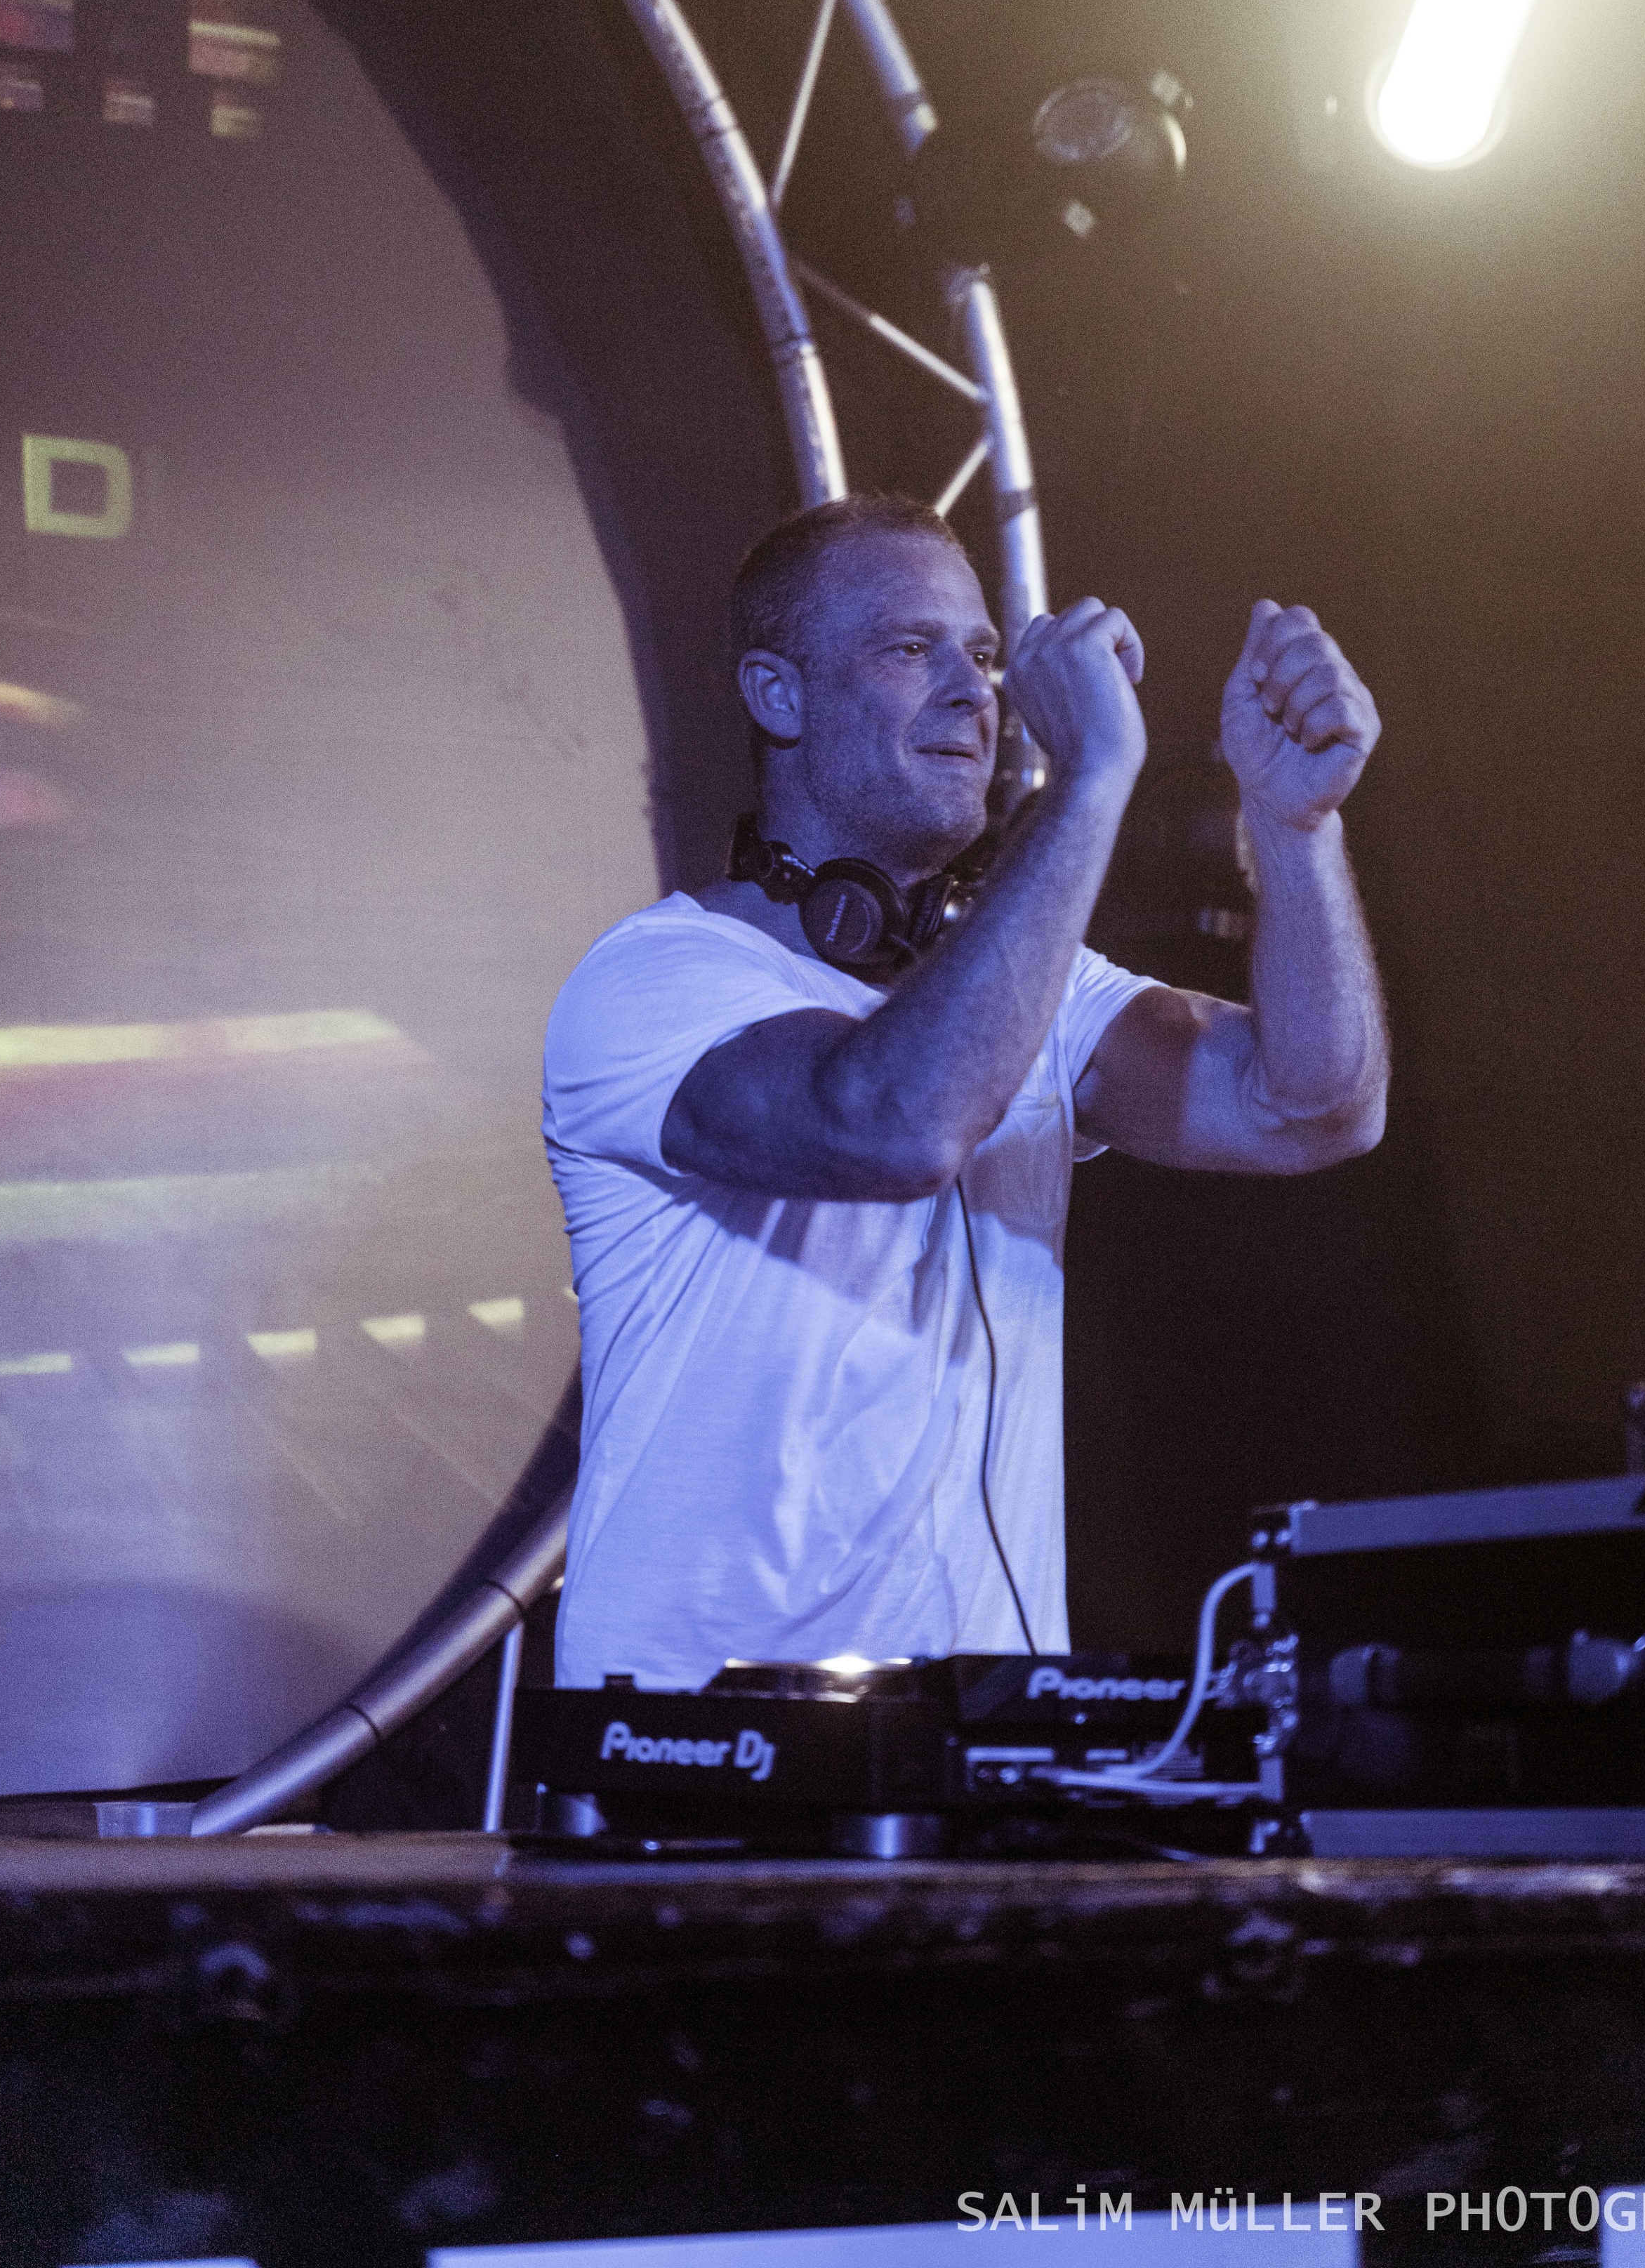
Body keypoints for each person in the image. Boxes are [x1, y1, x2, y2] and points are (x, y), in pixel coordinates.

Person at [543, 495, 1387, 1689]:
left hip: (980, 1736)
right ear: (777, 696)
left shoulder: (1036, 984)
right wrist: (1087, 781)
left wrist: (1295, 829)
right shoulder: (654, 980)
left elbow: (1312, 1108)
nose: (973, 693)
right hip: (706, 1746)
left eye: (986, 656)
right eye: (909, 649)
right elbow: (894, 1126)